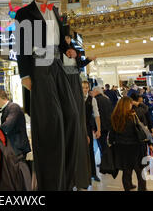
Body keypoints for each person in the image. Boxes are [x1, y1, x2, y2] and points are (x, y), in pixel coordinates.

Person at [15, 0, 82, 190]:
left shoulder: (57, 12)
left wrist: (70, 50)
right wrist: (24, 74)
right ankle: (53, 180)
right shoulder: (24, 13)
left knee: (72, 115)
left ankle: (68, 174)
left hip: (58, 64)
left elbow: (63, 42)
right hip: (39, 66)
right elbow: (22, 45)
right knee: (51, 120)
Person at [62, 35, 94, 189]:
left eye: (69, 38)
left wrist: (88, 59)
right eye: (66, 38)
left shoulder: (74, 54)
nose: (68, 40)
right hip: (65, 79)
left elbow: (80, 63)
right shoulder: (60, 51)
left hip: (71, 78)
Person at [109, 97, 147, 191]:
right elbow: (145, 108)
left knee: (126, 170)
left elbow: (112, 134)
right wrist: (137, 103)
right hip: (135, 147)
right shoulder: (133, 115)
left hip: (121, 147)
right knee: (139, 170)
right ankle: (142, 188)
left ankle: (128, 187)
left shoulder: (114, 116)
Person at [0, 89, 31, 159]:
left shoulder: (13, 107)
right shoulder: (9, 108)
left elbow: (7, 126)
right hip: (15, 150)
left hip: (18, 150)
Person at [81, 81, 101, 182]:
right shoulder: (76, 99)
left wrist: (99, 129)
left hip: (88, 127)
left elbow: (97, 115)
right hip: (79, 128)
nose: (85, 89)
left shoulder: (92, 100)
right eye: (83, 87)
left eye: (86, 87)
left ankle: (93, 173)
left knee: (90, 150)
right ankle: (82, 175)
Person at [92, 86, 114, 161]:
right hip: (108, 126)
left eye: (93, 91)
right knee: (106, 144)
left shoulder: (95, 100)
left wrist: (95, 128)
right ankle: (109, 161)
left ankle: (105, 162)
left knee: (101, 145)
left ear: (96, 91)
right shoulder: (107, 99)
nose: (92, 93)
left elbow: (95, 116)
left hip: (100, 127)